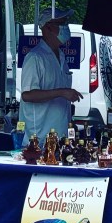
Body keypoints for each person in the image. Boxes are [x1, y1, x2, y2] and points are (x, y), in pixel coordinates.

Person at [19, 7, 84, 140]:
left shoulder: (61, 56)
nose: (66, 27)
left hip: (61, 137)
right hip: (39, 140)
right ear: (48, 27)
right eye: (62, 23)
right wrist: (61, 92)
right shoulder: (35, 57)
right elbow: (27, 95)